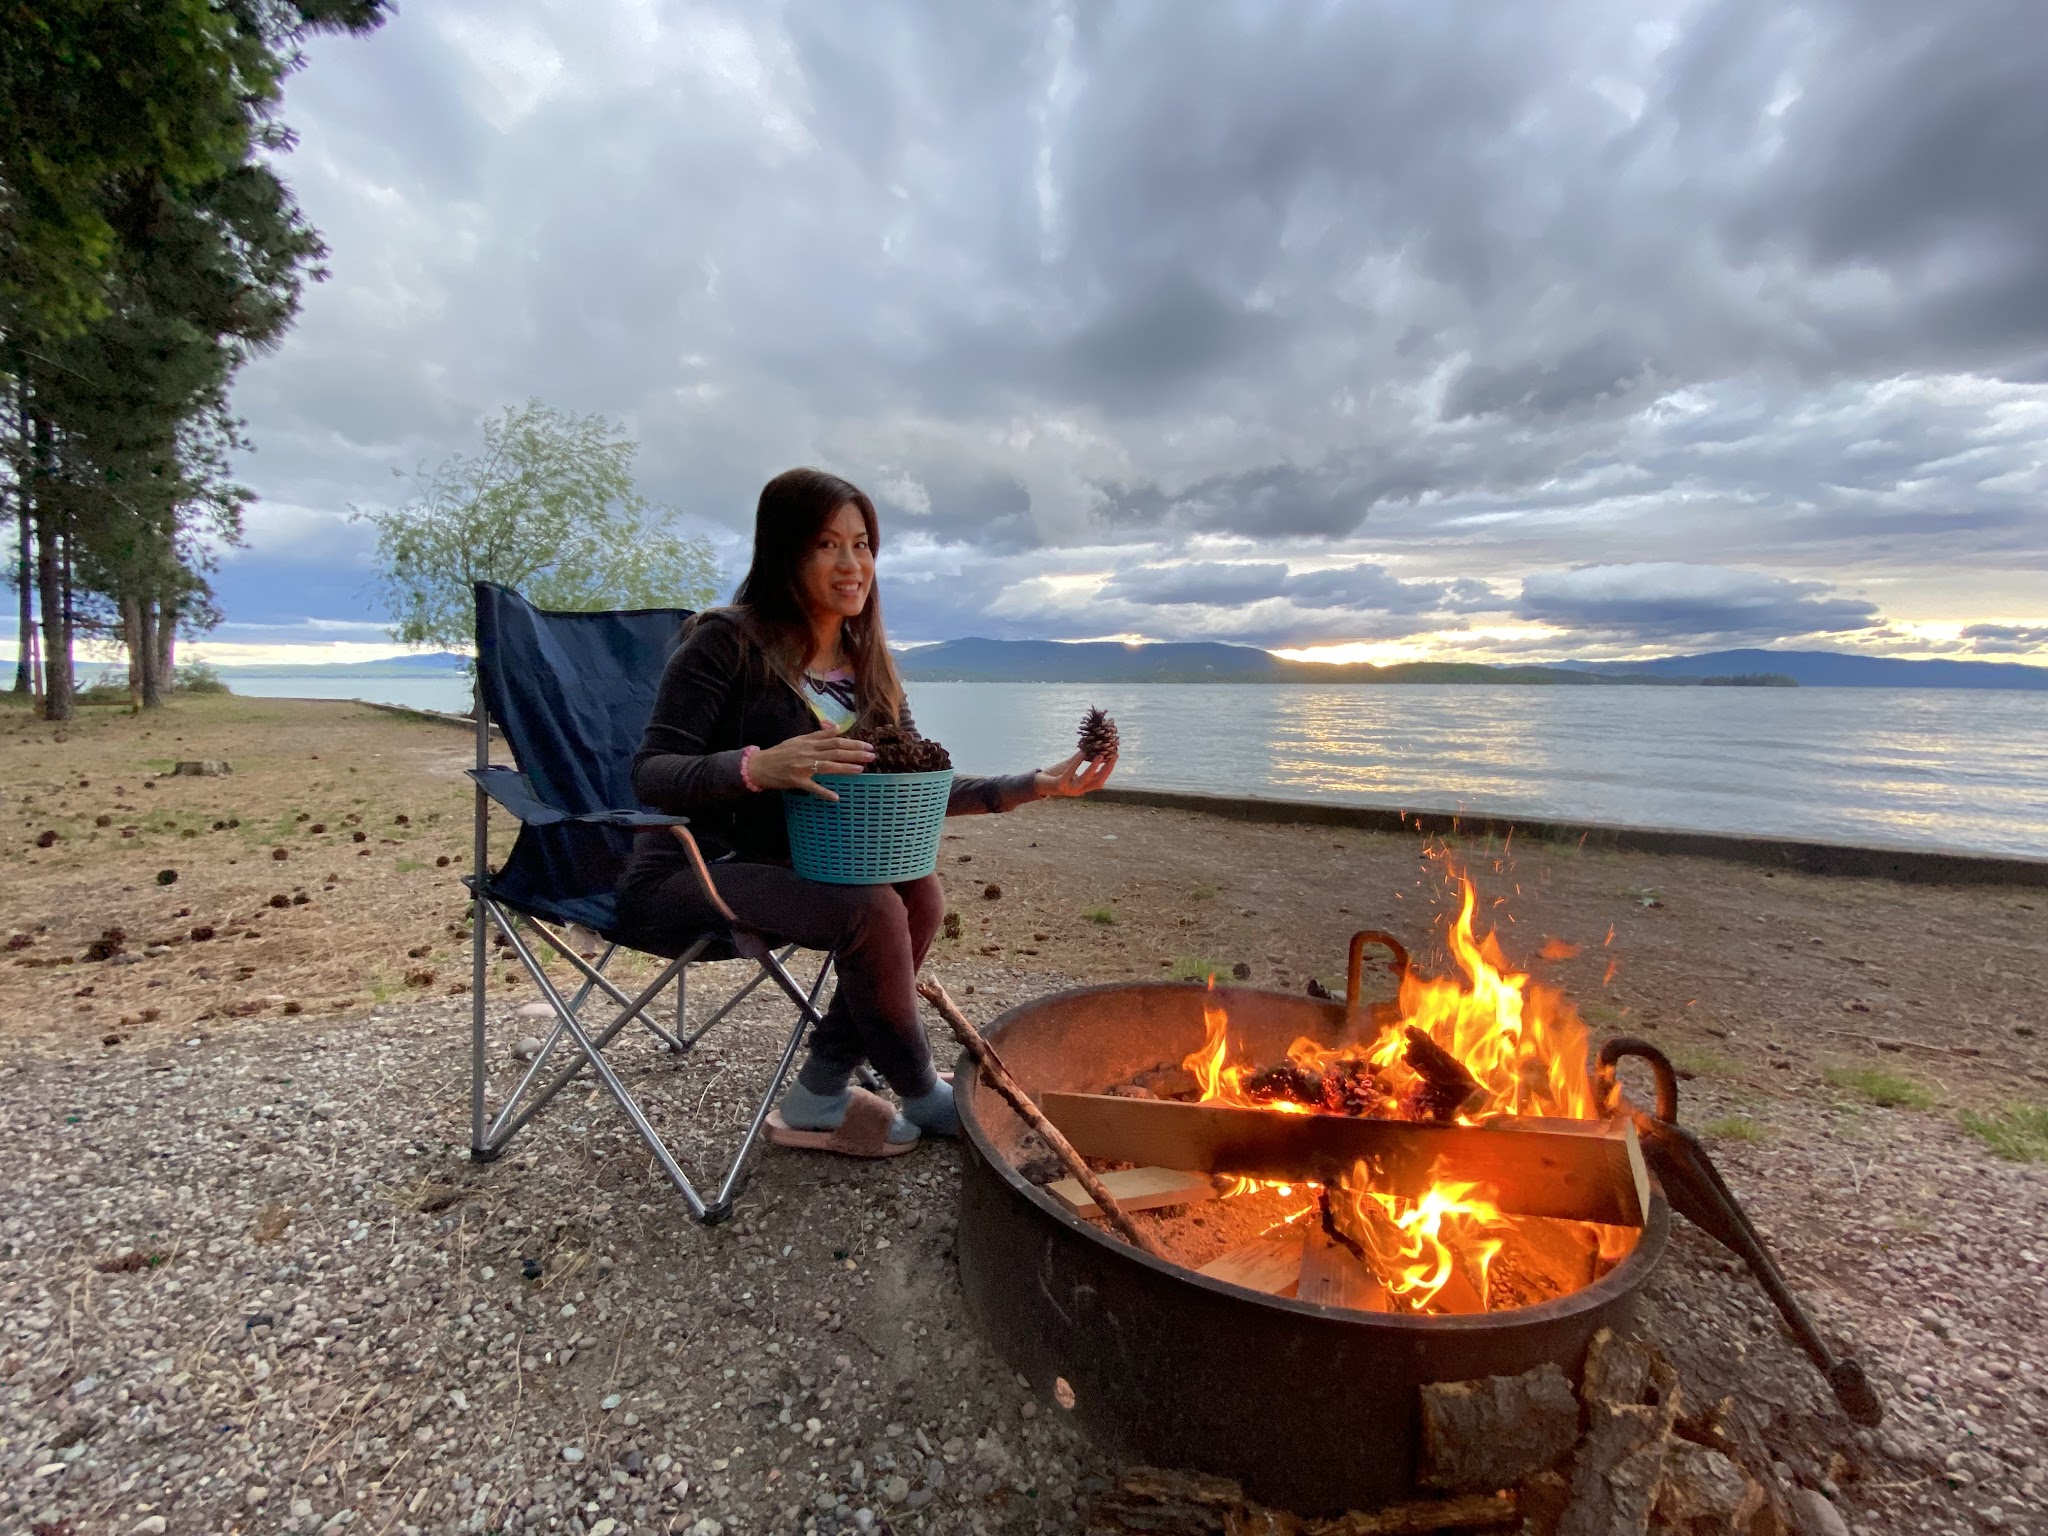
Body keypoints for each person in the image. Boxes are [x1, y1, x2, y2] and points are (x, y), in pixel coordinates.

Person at [620, 467, 1116, 1157]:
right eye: (827, 545)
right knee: (874, 908)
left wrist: (1035, 784)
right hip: (692, 870)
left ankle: (820, 1091)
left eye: (862, 544)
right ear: (784, 553)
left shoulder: (867, 664)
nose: (852, 564)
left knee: (918, 892)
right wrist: (755, 767)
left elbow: (911, 788)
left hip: (795, 868)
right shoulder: (722, 644)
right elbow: (651, 773)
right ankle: (919, 1087)